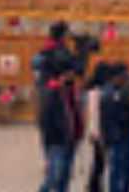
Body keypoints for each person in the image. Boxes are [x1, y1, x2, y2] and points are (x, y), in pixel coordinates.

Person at [34, 33, 84, 192]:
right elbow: (47, 117)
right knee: (55, 176)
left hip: (69, 136)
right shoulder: (52, 92)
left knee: (62, 177)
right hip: (59, 137)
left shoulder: (69, 91)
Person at [101, 64, 129, 192]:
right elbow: (111, 115)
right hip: (117, 136)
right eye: (124, 76)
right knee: (117, 169)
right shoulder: (109, 92)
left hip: (128, 133)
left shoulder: (124, 90)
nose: (126, 79)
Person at [83, 62, 118, 192]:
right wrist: (97, 132)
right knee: (100, 161)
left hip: (95, 130)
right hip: (98, 131)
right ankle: (94, 186)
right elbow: (95, 114)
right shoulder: (97, 92)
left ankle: (95, 185)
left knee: (99, 161)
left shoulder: (92, 91)